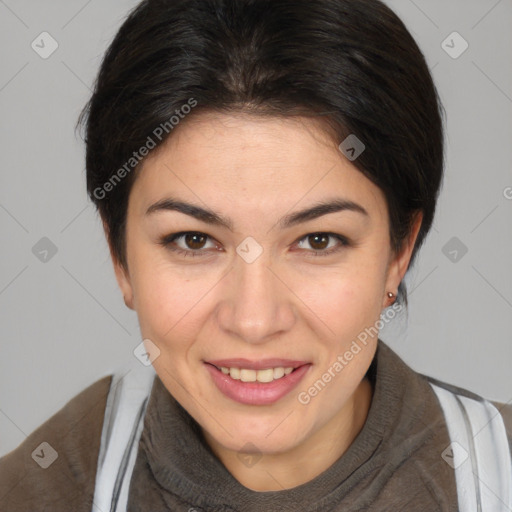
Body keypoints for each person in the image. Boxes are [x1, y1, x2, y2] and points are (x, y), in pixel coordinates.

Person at [1, 0, 511, 510]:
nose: (254, 320)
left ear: (398, 253)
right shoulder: (42, 490)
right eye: (194, 240)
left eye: (318, 240)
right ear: (119, 254)